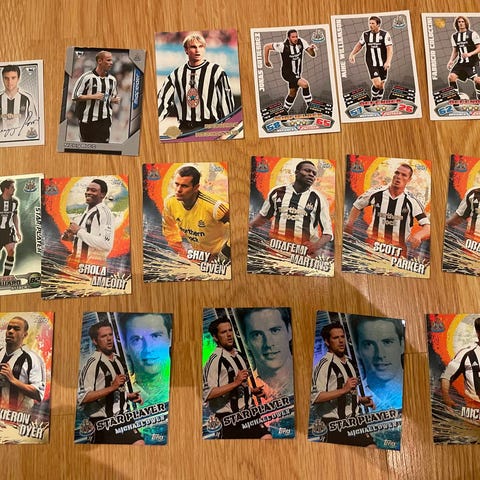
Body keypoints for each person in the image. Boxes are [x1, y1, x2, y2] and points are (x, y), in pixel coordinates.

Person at [202, 317, 271, 439]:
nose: (229, 335)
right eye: (224, 332)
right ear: (215, 337)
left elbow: (238, 386)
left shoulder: (239, 355)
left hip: (249, 413)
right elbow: (207, 394)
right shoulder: (214, 361)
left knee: (267, 439)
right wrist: (235, 383)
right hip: (229, 419)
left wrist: (251, 391)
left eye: (230, 330)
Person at [77, 320, 144, 444]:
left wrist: (127, 396)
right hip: (103, 422)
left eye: (110, 334)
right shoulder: (92, 364)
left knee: (139, 444)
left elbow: (115, 390)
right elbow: (83, 398)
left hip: (123, 417)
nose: (109, 339)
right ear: (95, 341)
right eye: (103, 336)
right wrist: (113, 387)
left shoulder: (118, 359)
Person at [344, 163, 430, 256]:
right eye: (397, 173)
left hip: (398, 251)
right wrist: (349, 224)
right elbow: (357, 205)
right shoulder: (376, 193)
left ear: (409, 180)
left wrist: (419, 236)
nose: (398, 177)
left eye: (403, 175)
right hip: (374, 246)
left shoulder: (412, 201)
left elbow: (427, 227)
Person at [157, 33, 235, 135]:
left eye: (201, 46)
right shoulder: (176, 75)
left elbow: (226, 104)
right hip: (185, 130)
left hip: (210, 129)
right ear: (186, 50)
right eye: (193, 47)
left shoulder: (216, 72)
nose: (198, 50)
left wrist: (226, 132)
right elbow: (162, 101)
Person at [311, 322, 375, 446]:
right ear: (327, 342)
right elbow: (315, 397)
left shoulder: (349, 362)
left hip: (355, 420)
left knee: (372, 448)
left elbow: (347, 392)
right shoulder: (324, 365)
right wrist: (344, 390)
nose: (341, 341)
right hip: (334, 424)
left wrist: (360, 399)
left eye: (342, 337)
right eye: (336, 338)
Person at [249, 160, 333, 256]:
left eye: (314, 173)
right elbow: (263, 217)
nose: (311, 175)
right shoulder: (277, 192)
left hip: (302, 255)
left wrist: (315, 246)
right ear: (296, 172)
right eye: (307, 171)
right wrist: (248, 226)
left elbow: (328, 233)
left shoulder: (318, 198)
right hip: (277, 250)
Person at [162, 165, 230, 259]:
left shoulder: (215, 207)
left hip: (222, 256)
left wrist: (226, 252)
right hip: (199, 257)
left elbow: (239, 225)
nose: (178, 190)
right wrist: (183, 254)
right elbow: (169, 231)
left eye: (184, 186)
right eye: (177, 184)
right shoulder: (170, 202)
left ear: (196, 187)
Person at [350, 316, 404, 410]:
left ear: (402, 345)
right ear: (357, 350)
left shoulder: (421, 385)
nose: (380, 354)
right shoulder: (352, 399)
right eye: (368, 344)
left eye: (387, 342)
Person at [237, 308, 293, 399]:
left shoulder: (312, 373)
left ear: (289, 331)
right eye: (257, 335)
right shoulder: (246, 390)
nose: (268, 344)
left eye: (275, 330)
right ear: (246, 342)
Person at [118, 313, 171, 405]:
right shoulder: (121, 398)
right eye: (137, 339)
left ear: (170, 337)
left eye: (155, 336)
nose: (148, 349)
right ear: (125, 347)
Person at [62, 178, 114, 266]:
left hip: (91, 268)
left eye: (93, 190)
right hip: (76, 266)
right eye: (87, 189)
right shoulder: (86, 212)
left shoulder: (104, 213)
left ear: (102, 194)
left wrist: (78, 231)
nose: (88, 192)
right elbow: (87, 239)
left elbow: (106, 244)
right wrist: (71, 238)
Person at [71, 50, 120, 143]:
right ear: (99, 61)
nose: (111, 63)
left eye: (111, 60)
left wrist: (112, 99)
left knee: (103, 148)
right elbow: (75, 96)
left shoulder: (112, 80)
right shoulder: (86, 77)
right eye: (108, 60)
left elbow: (106, 97)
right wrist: (93, 96)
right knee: (87, 148)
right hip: (87, 121)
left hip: (105, 120)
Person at [263, 29, 317, 112]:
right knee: (305, 84)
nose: (295, 38)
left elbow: (312, 55)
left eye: (296, 36)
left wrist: (311, 49)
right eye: (293, 37)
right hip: (287, 73)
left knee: (293, 92)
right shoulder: (282, 46)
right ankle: (311, 108)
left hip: (297, 74)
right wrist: (266, 61)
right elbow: (267, 47)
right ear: (288, 38)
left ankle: (285, 110)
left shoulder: (301, 42)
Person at [0, 316, 46, 411]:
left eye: (16, 329)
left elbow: (38, 394)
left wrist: (13, 380)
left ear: (25, 335)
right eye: (9, 328)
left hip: (19, 416)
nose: (11, 331)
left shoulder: (32, 358)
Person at [349, 16, 393, 101]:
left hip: (383, 62)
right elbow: (359, 45)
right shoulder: (365, 34)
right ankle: (374, 98)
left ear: (378, 24)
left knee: (381, 84)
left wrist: (388, 61)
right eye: (369, 23)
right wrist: (352, 54)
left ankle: (379, 98)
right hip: (371, 62)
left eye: (373, 23)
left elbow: (389, 48)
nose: (370, 25)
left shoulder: (385, 34)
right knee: (377, 84)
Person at [441, 317, 480, 408]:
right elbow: (446, 376)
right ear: (478, 332)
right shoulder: (466, 353)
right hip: (474, 408)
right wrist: (446, 397)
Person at [447, 16, 480, 99]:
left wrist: (470, 54)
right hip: (461, 63)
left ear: (466, 23)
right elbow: (455, 50)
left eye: (462, 21)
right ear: (457, 24)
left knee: (478, 80)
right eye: (459, 22)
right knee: (451, 77)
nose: (461, 23)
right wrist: (451, 61)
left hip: (472, 62)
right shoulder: (454, 36)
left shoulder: (472, 34)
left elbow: (479, 48)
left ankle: (479, 98)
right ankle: (455, 99)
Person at [0, 64, 38, 133]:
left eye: (13, 78)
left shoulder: (28, 98)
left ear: (18, 78)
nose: (9, 82)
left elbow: (34, 122)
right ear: (2, 79)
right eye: (6, 78)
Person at [0, 179, 22, 276]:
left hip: (9, 230)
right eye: (12, 187)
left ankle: (5, 277)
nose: (14, 189)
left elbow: (14, 216)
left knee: (11, 251)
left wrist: (18, 231)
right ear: (6, 189)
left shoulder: (15, 202)